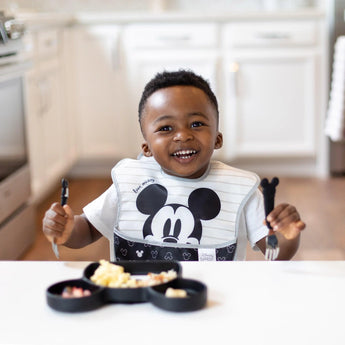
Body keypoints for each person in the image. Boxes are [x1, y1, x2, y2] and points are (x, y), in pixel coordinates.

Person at [43, 70, 305, 261]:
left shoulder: (240, 190)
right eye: (166, 128)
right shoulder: (132, 181)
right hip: (138, 301)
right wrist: (66, 230)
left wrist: (288, 236)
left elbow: (276, 252)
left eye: (196, 124)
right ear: (145, 147)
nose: (182, 136)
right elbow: (88, 230)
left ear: (217, 138)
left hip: (215, 303)